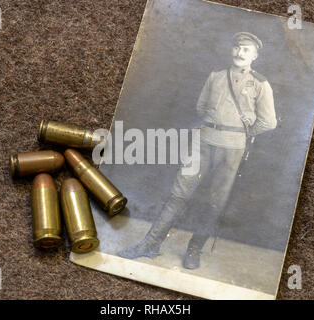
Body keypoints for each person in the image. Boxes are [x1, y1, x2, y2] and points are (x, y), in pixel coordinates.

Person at [118, 32, 277, 269]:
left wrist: (241, 133)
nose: (239, 53)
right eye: (237, 47)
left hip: (232, 149)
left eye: (246, 50)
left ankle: (194, 249)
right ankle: (149, 244)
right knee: (179, 193)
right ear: (231, 50)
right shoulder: (215, 76)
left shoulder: (261, 84)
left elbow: (269, 122)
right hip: (203, 143)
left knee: (215, 201)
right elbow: (201, 107)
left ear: (255, 55)